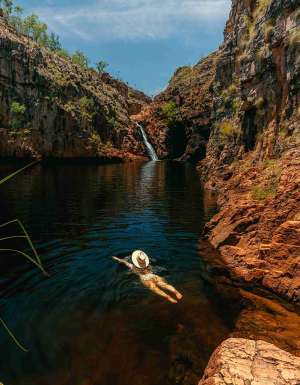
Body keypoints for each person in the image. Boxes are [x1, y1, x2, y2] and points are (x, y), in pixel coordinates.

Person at [113, 250, 183, 304]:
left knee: (155, 289)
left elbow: (124, 262)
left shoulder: (132, 267)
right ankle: (176, 292)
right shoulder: (148, 265)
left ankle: (168, 297)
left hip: (145, 279)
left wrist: (116, 259)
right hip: (153, 276)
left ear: (135, 262)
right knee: (164, 285)